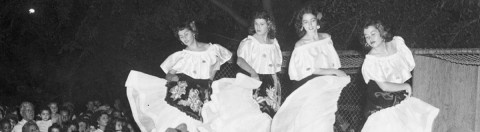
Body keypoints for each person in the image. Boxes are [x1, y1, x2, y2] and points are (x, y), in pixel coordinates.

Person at [126, 19, 246, 132]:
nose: (184, 38)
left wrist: (229, 60)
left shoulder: (213, 49)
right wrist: (173, 77)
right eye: (181, 36)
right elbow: (168, 75)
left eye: (186, 34)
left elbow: (232, 58)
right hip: (185, 91)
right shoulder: (182, 56)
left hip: (205, 90)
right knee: (180, 123)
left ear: (193, 32)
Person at [270, 6, 351, 132]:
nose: (310, 25)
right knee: (312, 123)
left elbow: (333, 62)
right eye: (306, 22)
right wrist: (336, 72)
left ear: (317, 21)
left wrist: (334, 73)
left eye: (312, 20)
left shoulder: (326, 38)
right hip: (310, 86)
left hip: (326, 85)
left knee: (327, 121)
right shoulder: (301, 45)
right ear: (301, 25)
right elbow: (313, 70)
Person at [359, 19, 440, 132]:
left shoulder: (397, 43)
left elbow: (407, 70)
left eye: (373, 34)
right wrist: (405, 86)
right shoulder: (371, 60)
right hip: (382, 102)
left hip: (400, 98)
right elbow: (384, 86)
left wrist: (405, 87)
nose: (370, 38)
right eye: (366, 36)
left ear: (382, 32)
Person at [236, 10, 283, 117]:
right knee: (260, 112)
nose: (258, 27)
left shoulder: (274, 43)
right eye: (256, 24)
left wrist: (276, 81)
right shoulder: (249, 42)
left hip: (272, 81)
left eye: (262, 24)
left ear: (269, 25)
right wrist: (253, 73)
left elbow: (277, 65)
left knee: (272, 112)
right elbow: (240, 60)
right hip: (256, 80)